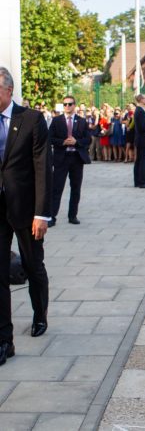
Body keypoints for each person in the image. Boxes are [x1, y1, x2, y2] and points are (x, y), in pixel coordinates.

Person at [0, 67, 52, 366]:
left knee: (33, 264)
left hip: (26, 208)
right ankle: (4, 339)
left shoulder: (31, 120)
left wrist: (41, 213)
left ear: (8, 90)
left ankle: (39, 314)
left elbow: (44, 167)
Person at [49, 96, 91, 227]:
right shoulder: (56, 121)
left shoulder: (82, 121)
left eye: (70, 104)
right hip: (61, 157)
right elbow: (49, 138)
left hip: (76, 158)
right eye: (65, 104)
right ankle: (52, 216)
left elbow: (88, 139)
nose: (67, 106)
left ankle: (72, 215)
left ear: (74, 105)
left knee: (76, 188)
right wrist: (62, 142)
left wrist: (76, 142)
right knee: (57, 188)